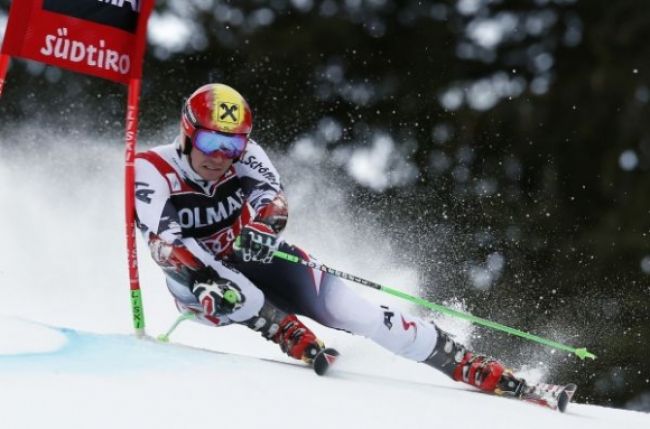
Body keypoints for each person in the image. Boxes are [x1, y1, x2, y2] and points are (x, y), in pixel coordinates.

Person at [134, 83, 524, 395]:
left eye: (232, 144)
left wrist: (264, 229)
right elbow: (166, 241)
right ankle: (278, 325)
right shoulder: (151, 169)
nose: (221, 156)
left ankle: (460, 360)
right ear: (187, 133)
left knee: (355, 313)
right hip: (197, 284)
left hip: (250, 257)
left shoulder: (247, 155)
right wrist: (203, 278)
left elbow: (273, 198)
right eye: (210, 142)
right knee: (218, 280)